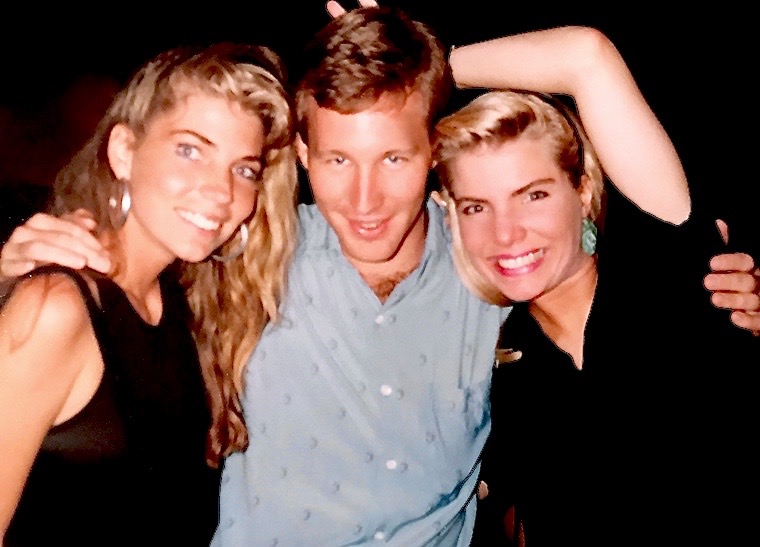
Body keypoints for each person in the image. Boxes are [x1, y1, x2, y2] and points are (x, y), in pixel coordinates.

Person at [1, 5, 758, 546]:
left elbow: (586, 66)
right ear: (302, 157)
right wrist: (17, 263)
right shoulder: (243, 256)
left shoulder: (488, 269)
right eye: (338, 159)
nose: (364, 200)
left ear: (433, 153)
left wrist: (426, 66)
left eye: (394, 157)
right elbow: (136, 268)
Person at [431, 26, 760, 546]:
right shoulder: (491, 369)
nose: (505, 232)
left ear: (582, 192)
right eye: (476, 207)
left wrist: (422, 71)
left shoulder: (676, 269)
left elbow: (585, 56)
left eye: (533, 195)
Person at [0, 42, 297, 546]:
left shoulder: (188, 305)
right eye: (190, 150)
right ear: (124, 152)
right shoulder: (58, 308)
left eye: (244, 169)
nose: (222, 191)